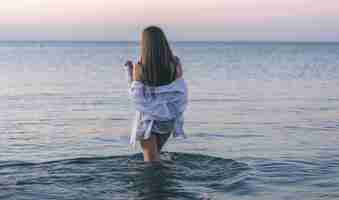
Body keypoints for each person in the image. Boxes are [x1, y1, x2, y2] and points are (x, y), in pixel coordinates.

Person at [124, 26, 188, 162]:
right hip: (168, 119)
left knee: (151, 163)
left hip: (148, 121)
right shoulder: (175, 64)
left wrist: (129, 72)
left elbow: (136, 96)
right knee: (156, 157)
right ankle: (167, 180)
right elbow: (179, 92)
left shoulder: (140, 67)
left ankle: (156, 182)